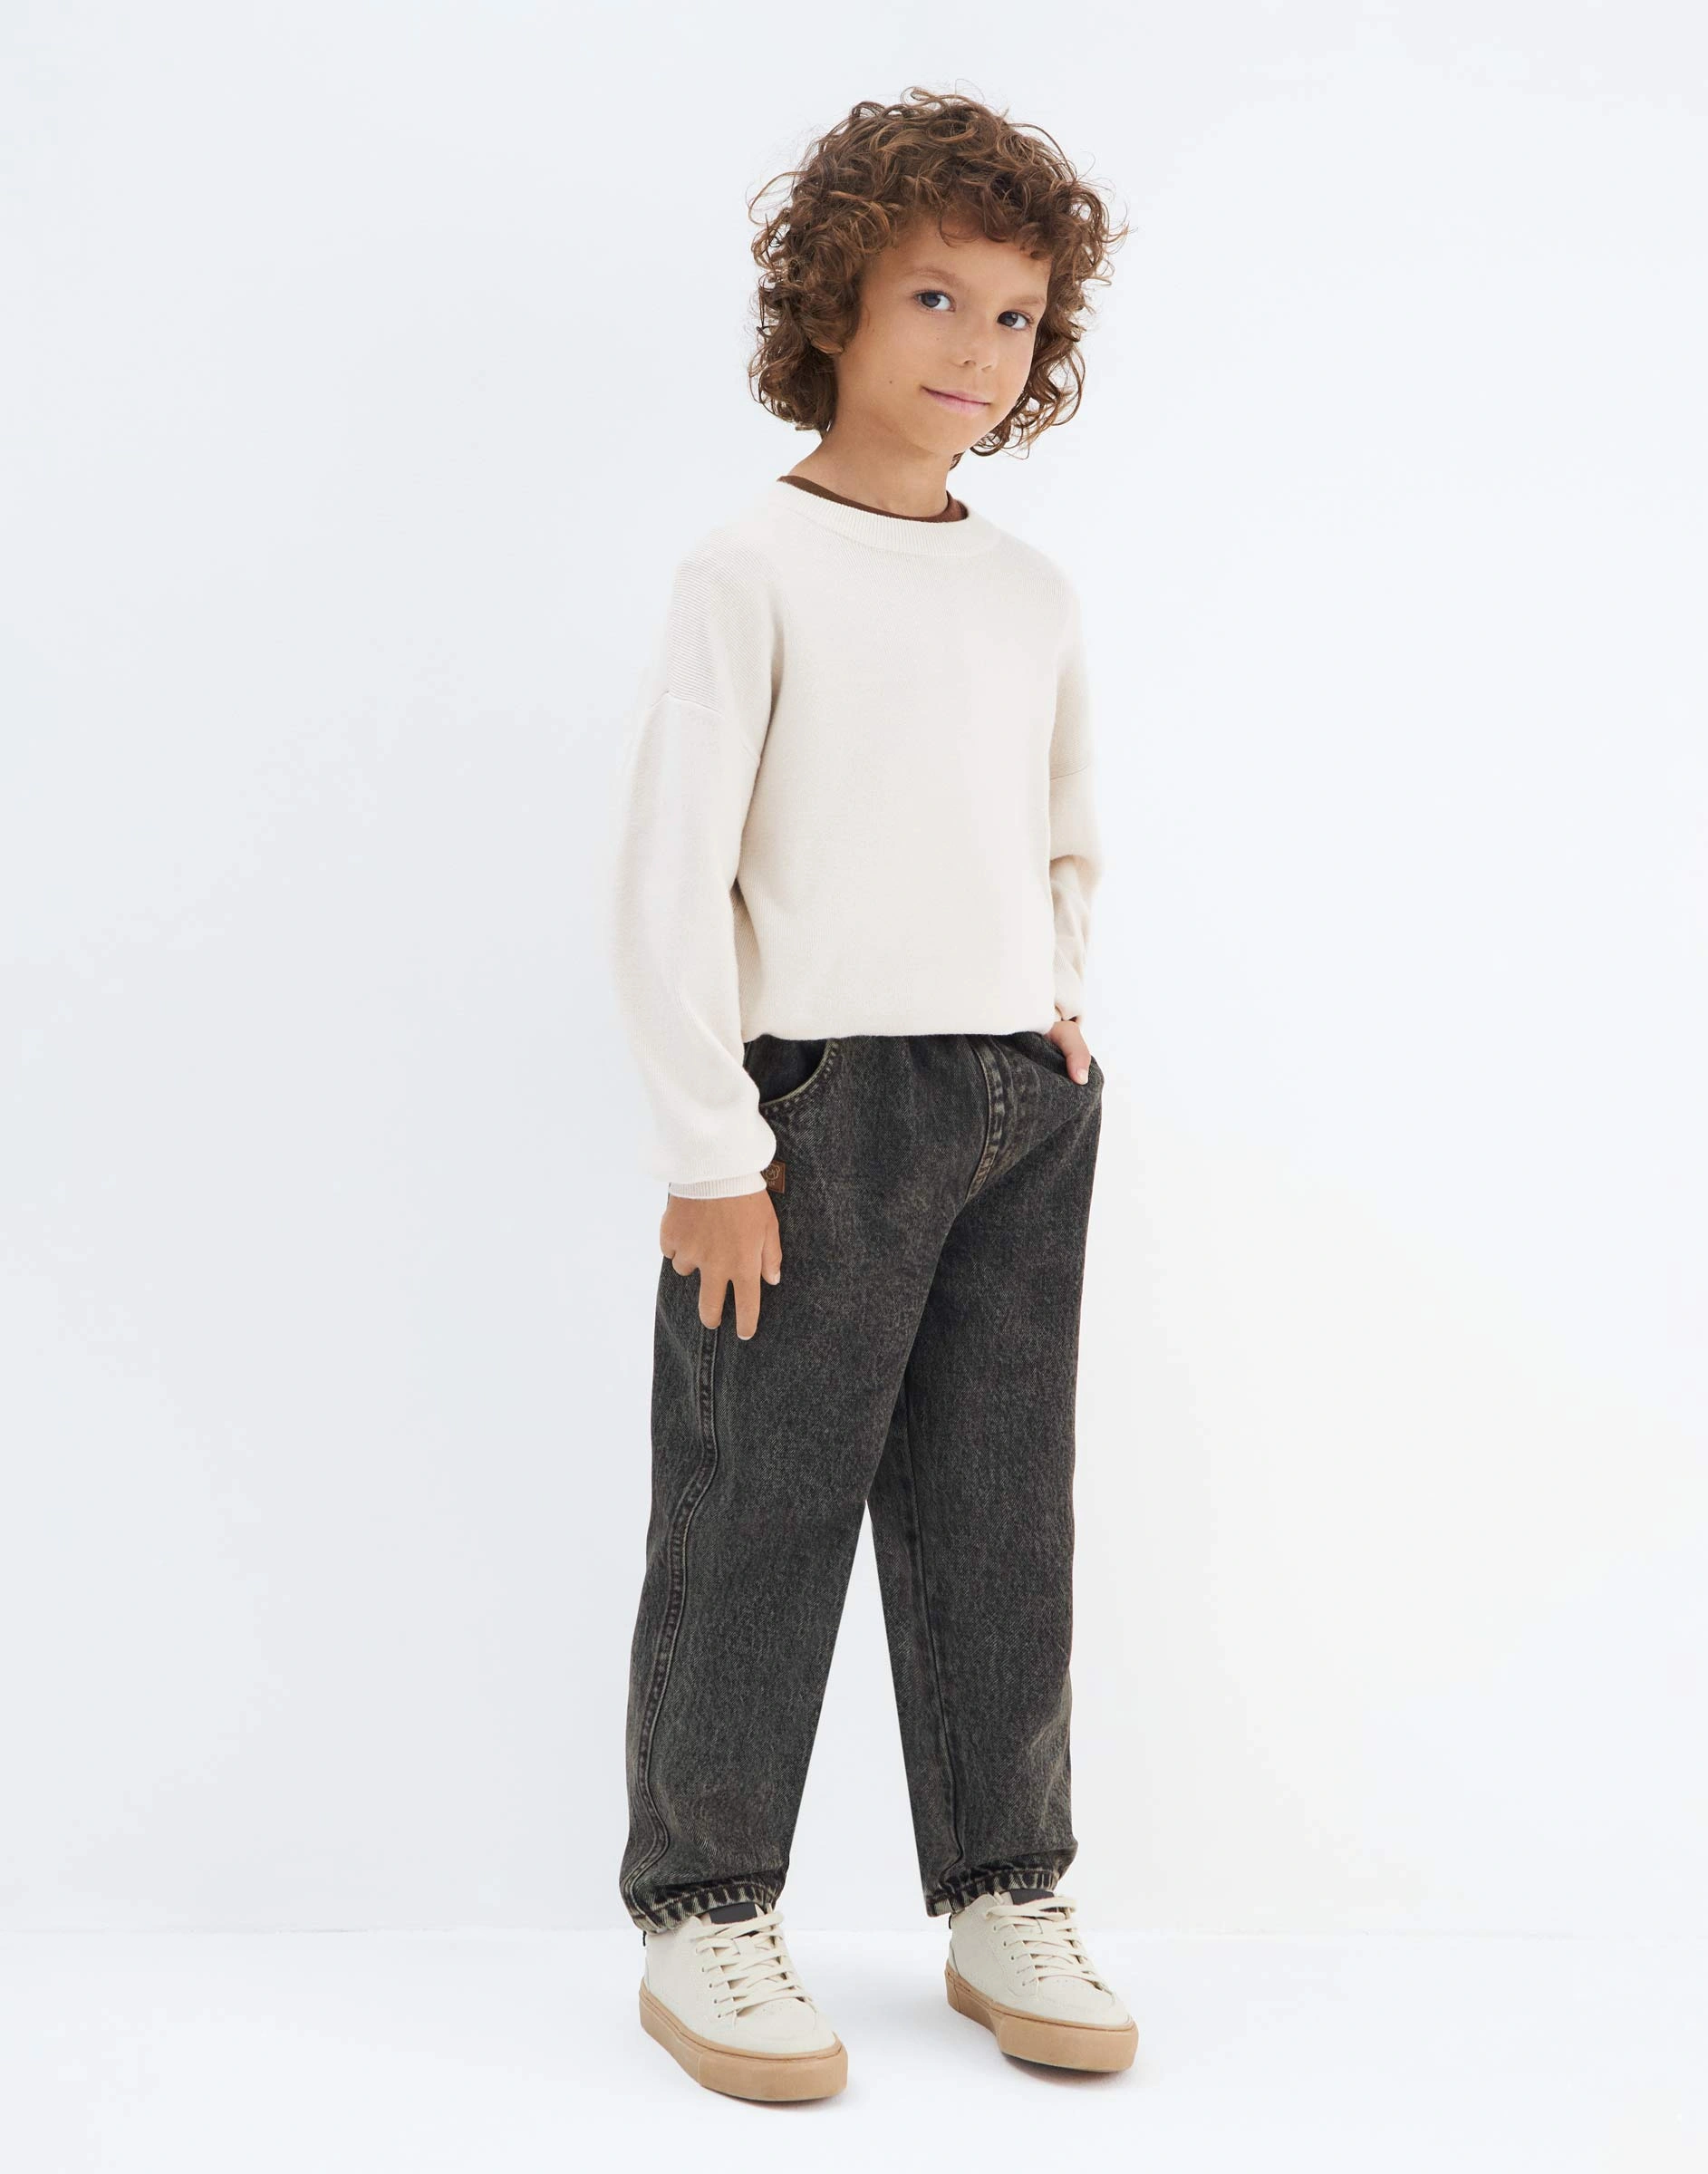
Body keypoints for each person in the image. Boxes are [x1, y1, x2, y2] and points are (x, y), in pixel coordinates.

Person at [603, 86, 1134, 2102]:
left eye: (1014, 317)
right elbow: (670, 880)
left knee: (1000, 1505)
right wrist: (711, 1146)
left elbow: (1061, 825)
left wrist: (1054, 1001)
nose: (975, 348)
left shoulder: (1031, 595)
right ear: (832, 299)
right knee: (760, 1502)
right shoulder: (750, 572)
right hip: (813, 1110)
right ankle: (705, 1901)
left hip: (1014, 1098)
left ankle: (1005, 1886)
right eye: (933, 295)